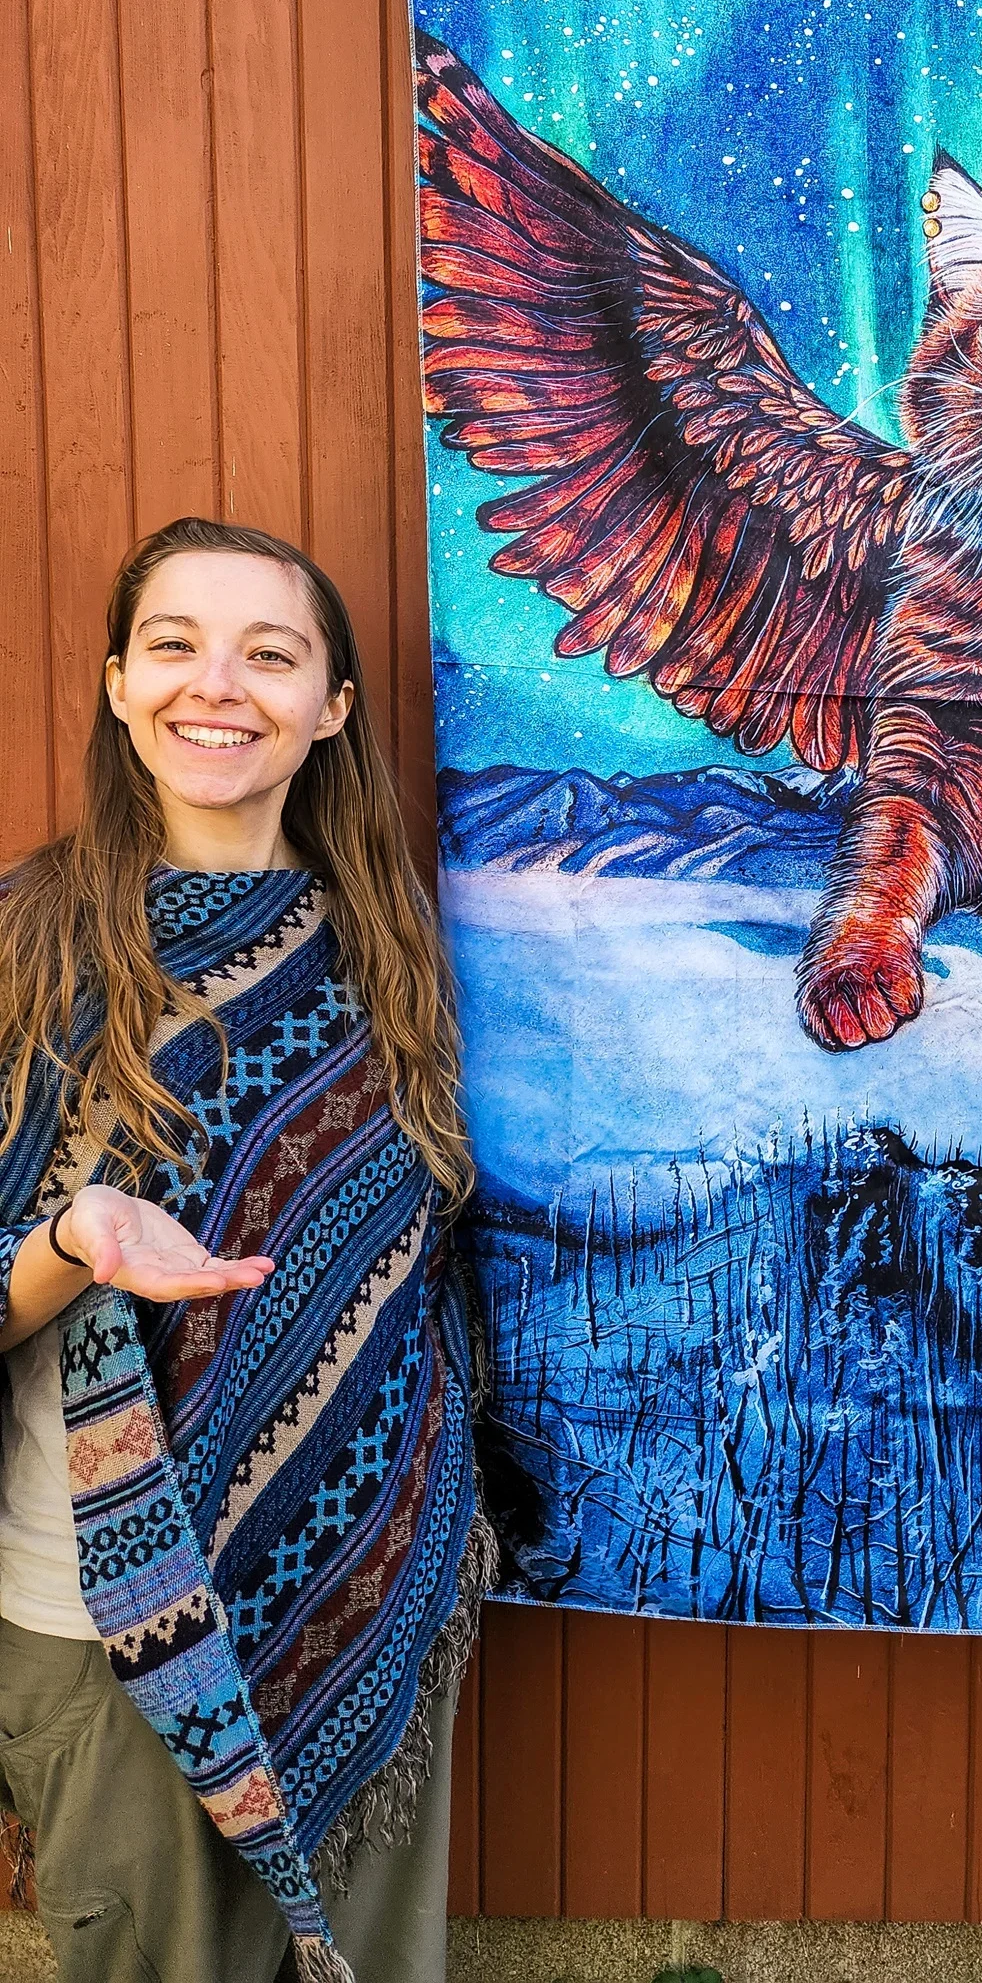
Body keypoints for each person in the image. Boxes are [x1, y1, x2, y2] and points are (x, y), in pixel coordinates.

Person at [0, 517, 491, 1983]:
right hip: (106, 1620)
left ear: (331, 706)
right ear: (115, 682)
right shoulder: (28, 948)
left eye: (269, 654)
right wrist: (73, 1239)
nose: (218, 685)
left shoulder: (389, 950)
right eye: (174, 644)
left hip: (363, 1585)